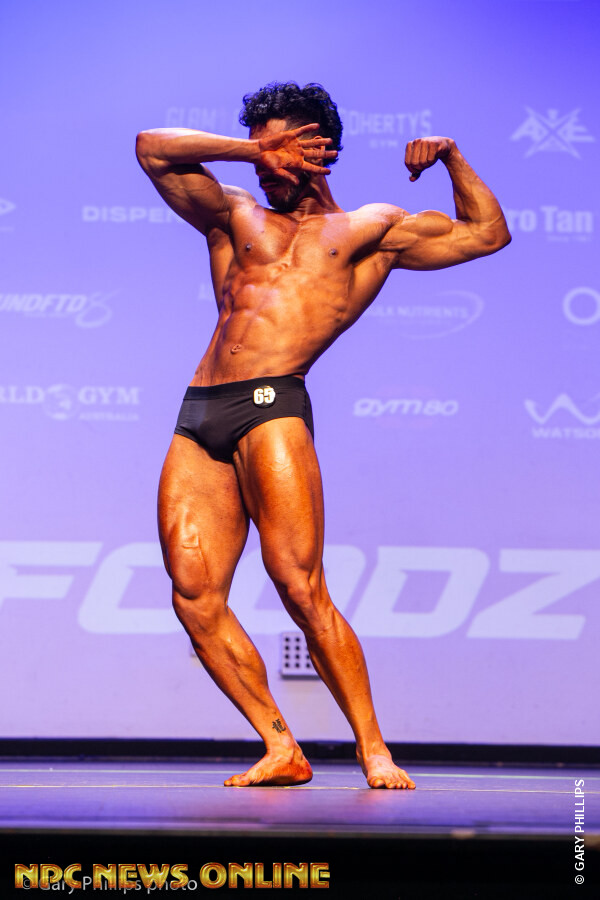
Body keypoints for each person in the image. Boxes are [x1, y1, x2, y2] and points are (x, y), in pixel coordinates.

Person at [136, 82, 510, 790]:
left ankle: (374, 750)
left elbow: (487, 233)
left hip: (273, 405)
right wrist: (255, 150)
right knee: (193, 595)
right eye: (260, 151)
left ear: (321, 149)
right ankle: (281, 745)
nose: (264, 166)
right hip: (201, 410)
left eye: (280, 147)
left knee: (299, 587)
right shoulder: (233, 215)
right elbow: (151, 148)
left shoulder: (371, 229)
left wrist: (452, 158)